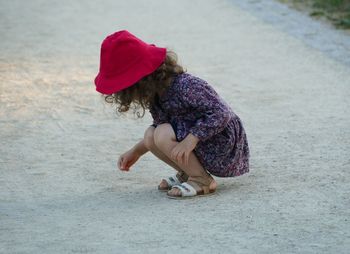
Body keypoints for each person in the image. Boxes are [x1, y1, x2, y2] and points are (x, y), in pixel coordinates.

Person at [94, 30, 250, 199]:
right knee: (151, 134)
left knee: (161, 133)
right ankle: (188, 172)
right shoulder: (156, 94)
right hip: (201, 139)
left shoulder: (185, 86)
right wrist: (136, 152)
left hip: (221, 142)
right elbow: (158, 132)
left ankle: (202, 180)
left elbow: (222, 113)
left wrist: (192, 139)